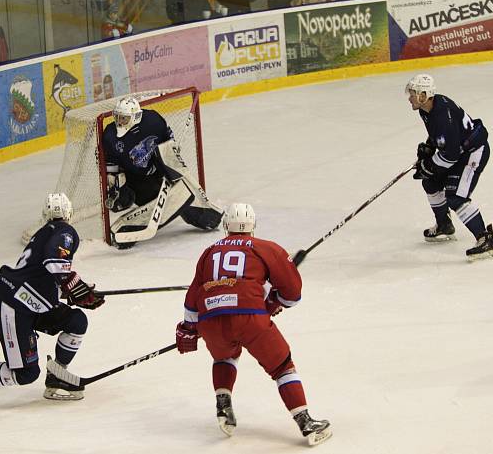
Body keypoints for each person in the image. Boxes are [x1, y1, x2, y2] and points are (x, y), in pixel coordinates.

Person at [175, 203, 333, 446]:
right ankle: (305, 422)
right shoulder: (264, 248)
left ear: (226, 225)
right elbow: (292, 294)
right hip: (249, 317)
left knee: (224, 356)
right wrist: (272, 303)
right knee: (282, 367)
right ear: (253, 226)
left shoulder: (208, 252)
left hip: (211, 319)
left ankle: (223, 404)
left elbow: (193, 296)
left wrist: (189, 328)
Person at [0, 193, 105, 408]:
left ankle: (57, 375)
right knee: (26, 374)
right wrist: (74, 285)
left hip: (31, 303)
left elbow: (40, 273)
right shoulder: (66, 232)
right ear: (69, 213)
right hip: (14, 307)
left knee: (76, 322)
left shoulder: (42, 233)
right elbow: (53, 261)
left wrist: (72, 291)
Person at [102, 97, 223, 248]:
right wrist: (113, 181)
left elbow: (168, 141)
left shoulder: (153, 121)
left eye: (124, 118)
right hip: (137, 180)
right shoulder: (110, 135)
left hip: (159, 171)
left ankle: (206, 217)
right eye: (117, 117)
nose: (119, 122)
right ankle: (127, 229)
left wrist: (170, 156)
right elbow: (111, 163)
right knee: (145, 201)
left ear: (136, 116)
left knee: (181, 198)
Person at [407, 74, 493, 260]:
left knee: (455, 197)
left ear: (424, 95)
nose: (410, 97)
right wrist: (429, 146)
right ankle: (444, 225)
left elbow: (451, 155)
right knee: (430, 183)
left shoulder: (441, 115)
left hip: (473, 153)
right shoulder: (426, 109)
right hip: (458, 152)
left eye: (413, 93)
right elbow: (441, 138)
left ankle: (486, 239)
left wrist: (429, 165)